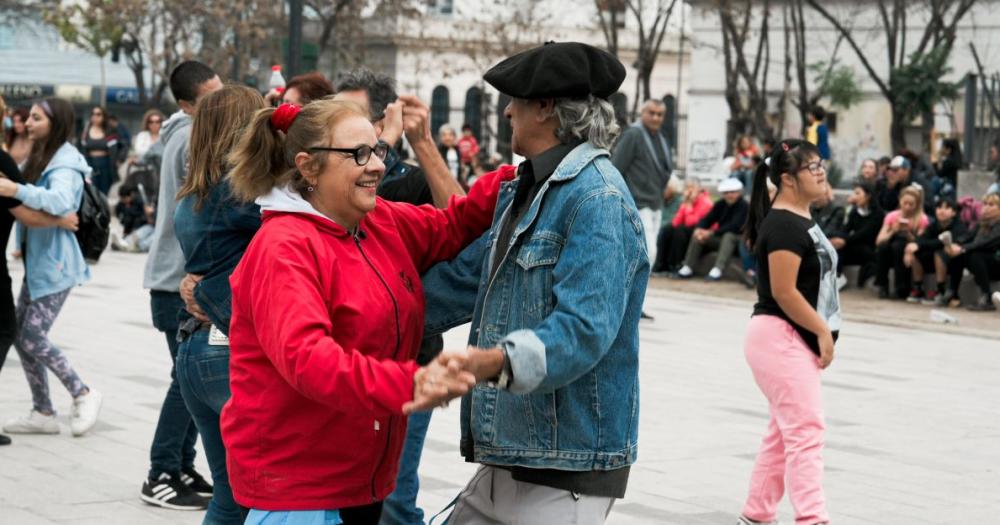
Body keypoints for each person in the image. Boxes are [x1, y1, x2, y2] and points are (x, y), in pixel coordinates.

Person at [220, 98, 510, 525]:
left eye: (377, 150)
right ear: (308, 166)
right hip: (300, 490)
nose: (376, 165)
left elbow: (454, 224)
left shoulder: (377, 221)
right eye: (358, 154)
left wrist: (521, 173)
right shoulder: (283, 247)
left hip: (360, 479)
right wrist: (414, 382)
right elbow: (310, 359)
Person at [418, 41, 646, 525]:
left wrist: (494, 361)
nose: (505, 112)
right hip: (511, 454)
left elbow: (584, 330)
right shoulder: (529, 186)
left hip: (566, 468)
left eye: (516, 100)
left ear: (546, 108)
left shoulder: (597, 199)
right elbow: (464, 280)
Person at [170, 84, 267, 525]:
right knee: (252, 494)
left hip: (196, 350)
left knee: (230, 498)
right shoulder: (235, 195)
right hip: (226, 352)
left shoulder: (197, 194)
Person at [738, 139, 838, 525]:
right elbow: (784, 291)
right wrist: (822, 331)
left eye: (820, 164)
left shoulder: (798, 219)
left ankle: (757, 514)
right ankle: (812, 519)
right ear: (787, 179)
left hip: (786, 337)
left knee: (784, 433)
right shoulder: (782, 226)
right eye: (812, 167)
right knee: (806, 432)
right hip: (780, 337)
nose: (821, 172)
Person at [139, 60, 222, 510]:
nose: (221, 104)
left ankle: (181, 462)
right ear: (188, 105)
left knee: (188, 379)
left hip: (172, 278)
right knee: (184, 381)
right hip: (178, 283)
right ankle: (161, 472)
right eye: (211, 99)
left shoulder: (183, 132)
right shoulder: (194, 139)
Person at [0, 97, 102, 437]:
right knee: (19, 334)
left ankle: (83, 393)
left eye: (36, 118)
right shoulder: (40, 157)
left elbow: (61, 202)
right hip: (38, 264)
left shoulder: (65, 164)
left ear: (55, 123)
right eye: (28, 117)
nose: (28, 123)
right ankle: (43, 411)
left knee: (30, 335)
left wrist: (15, 189)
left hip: (58, 267)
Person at [333, 67, 466, 209]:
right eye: (332, 119)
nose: (332, 128)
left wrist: (422, 142)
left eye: (348, 119)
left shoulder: (416, 184)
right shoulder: (323, 167)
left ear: (383, 125)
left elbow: (461, 221)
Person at [612, 99, 672, 268]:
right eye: (651, 113)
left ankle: (638, 293)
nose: (655, 118)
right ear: (642, 113)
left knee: (645, 255)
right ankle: (637, 293)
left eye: (660, 115)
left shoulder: (661, 138)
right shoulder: (633, 135)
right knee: (648, 253)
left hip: (656, 203)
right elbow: (616, 168)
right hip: (637, 203)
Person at [676, 177, 749, 281]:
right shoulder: (720, 204)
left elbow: (735, 226)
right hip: (720, 238)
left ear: (739, 192)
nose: (729, 195)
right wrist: (699, 229)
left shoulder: (744, 206)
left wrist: (710, 233)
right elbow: (707, 219)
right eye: (726, 192)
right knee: (698, 235)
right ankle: (687, 266)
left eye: (732, 192)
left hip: (738, 240)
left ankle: (718, 269)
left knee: (729, 236)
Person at [904, 197, 968, 305]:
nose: (941, 211)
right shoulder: (934, 225)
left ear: (953, 212)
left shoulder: (959, 226)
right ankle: (918, 287)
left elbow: (940, 242)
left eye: (947, 208)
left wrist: (918, 245)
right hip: (934, 262)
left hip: (954, 262)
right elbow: (922, 239)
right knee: (916, 251)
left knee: (939, 253)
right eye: (939, 207)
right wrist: (910, 248)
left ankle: (941, 290)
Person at [944, 192, 1000, 311]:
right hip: (983, 263)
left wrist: (962, 248)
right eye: (985, 204)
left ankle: (987, 297)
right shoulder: (981, 224)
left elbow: (986, 243)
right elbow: (967, 237)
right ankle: (952, 292)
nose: (986, 207)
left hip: (996, 261)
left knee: (974, 254)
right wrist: (955, 245)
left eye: (991, 204)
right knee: (959, 254)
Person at [874, 185, 929, 299]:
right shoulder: (892, 216)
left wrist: (908, 233)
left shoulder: (922, 219)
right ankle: (882, 285)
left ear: (917, 204)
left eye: (911, 204)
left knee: (898, 247)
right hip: (891, 243)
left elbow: (920, 242)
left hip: (908, 247)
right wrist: (893, 230)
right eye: (905, 203)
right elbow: (879, 241)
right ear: (900, 201)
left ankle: (902, 287)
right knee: (883, 248)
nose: (907, 207)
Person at [829, 181, 883, 288]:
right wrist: (837, 238)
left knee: (842, 244)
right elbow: (845, 230)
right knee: (836, 243)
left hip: (869, 250)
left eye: (858, 193)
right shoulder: (854, 211)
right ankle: (836, 276)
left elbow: (864, 234)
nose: (854, 196)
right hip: (854, 246)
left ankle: (839, 276)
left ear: (868, 196)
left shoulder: (877, 213)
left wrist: (844, 240)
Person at [654, 177, 712, 274]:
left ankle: (676, 264)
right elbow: (675, 222)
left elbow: (692, 222)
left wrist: (688, 206)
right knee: (668, 229)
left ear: (698, 189)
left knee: (680, 230)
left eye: (691, 188)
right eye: (687, 188)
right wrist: (685, 205)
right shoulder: (686, 202)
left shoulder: (705, 202)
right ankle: (661, 264)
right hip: (685, 229)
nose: (689, 191)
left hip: (699, 231)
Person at [79, 106, 116, 195]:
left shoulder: (109, 131)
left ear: (103, 116)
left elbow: (116, 150)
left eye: (98, 114)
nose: (95, 117)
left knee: (103, 192)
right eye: (93, 114)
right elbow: (81, 149)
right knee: (91, 191)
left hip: (105, 164)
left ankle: (103, 209)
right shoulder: (86, 131)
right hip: (90, 163)